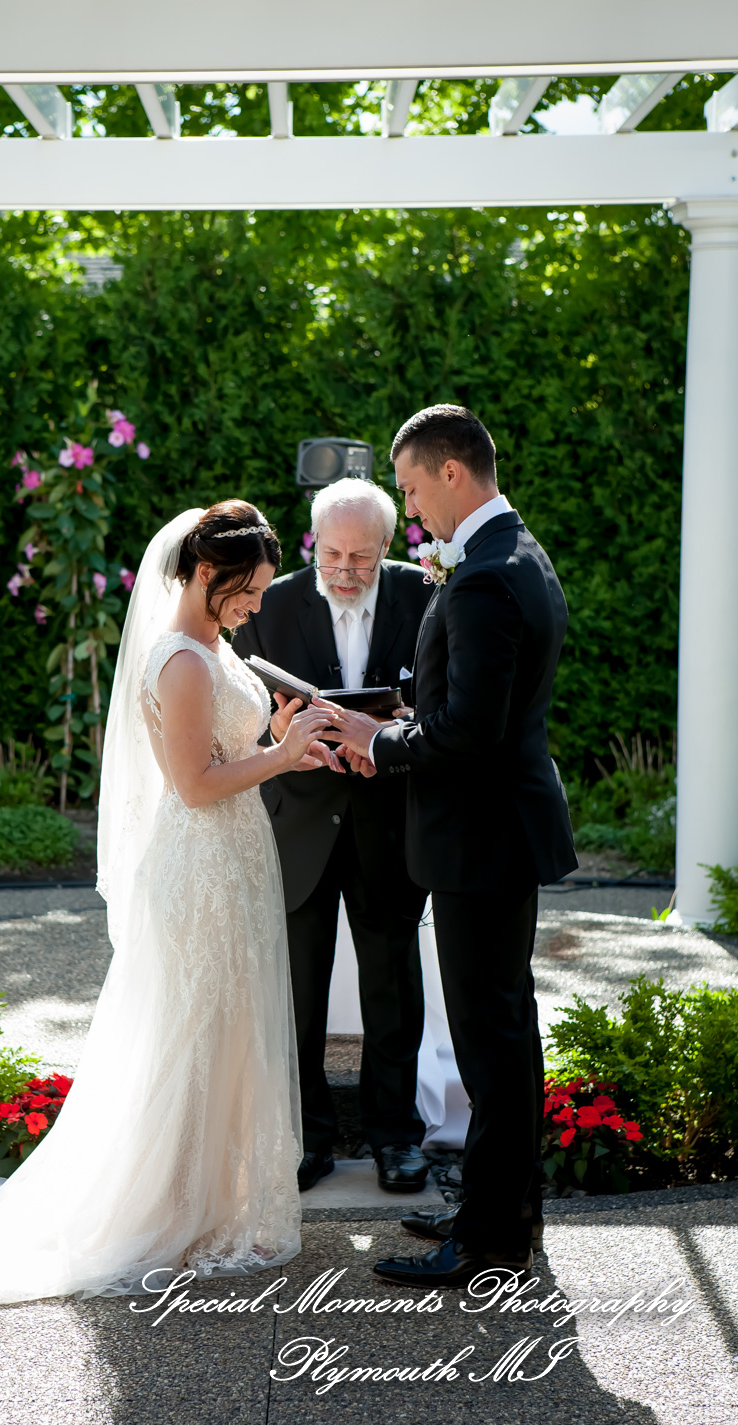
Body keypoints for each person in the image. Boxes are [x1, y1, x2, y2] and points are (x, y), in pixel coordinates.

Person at [0, 500, 332, 1318]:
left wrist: (274, 736)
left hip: (235, 861)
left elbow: (225, 752)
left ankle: (209, 1203)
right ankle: (170, 1212)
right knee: (193, 1031)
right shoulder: (179, 662)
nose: (255, 605)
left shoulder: (217, 645)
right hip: (201, 868)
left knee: (230, 1026)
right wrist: (279, 756)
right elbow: (196, 785)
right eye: (246, 591)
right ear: (206, 573)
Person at [317, 405, 578, 1288]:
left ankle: (494, 1239)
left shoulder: (482, 578)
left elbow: (468, 731)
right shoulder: (520, 554)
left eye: (414, 486)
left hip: (481, 839)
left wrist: (376, 742)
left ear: (453, 473)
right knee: (505, 1032)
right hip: (496, 831)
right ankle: (501, 1210)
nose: (413, 504)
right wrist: (393, 718)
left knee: (491, 1041)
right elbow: (478, 711)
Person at [233, 478, 435, 1193]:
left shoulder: (423, 594)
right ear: (313, 541)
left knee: (392, 988)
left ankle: (396, 1137)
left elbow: (443, 706)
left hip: (388, 819)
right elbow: (243, 715)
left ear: (389, 546)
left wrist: (399, 725)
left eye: (362, 558)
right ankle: (303, 1137)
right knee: (296, 990)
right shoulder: (274, 602)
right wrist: (277, 730)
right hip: (299, 822)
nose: (346, 570)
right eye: (333, 555)